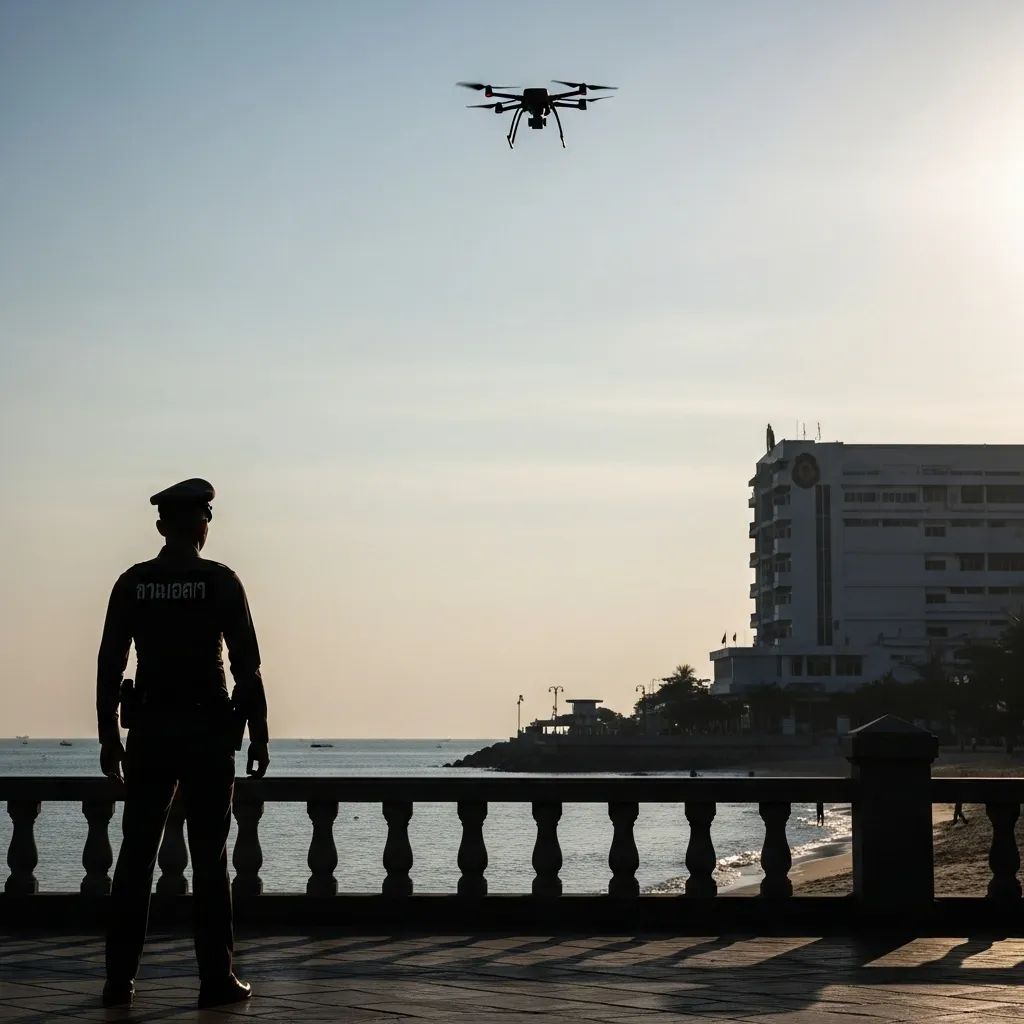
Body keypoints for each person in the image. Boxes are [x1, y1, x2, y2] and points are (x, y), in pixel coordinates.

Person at [96, 479, 270, 1010]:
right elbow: (246, 664)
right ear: (202, 526)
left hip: (148, 733)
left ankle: (119, 981)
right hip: (207, 735)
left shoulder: (133, 583)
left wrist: (109, 736)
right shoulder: (219, 582)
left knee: (135, 860)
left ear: (160, 527)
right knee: (211, 860)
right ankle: (215, 977)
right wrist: (258, 731)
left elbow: (109, 664)